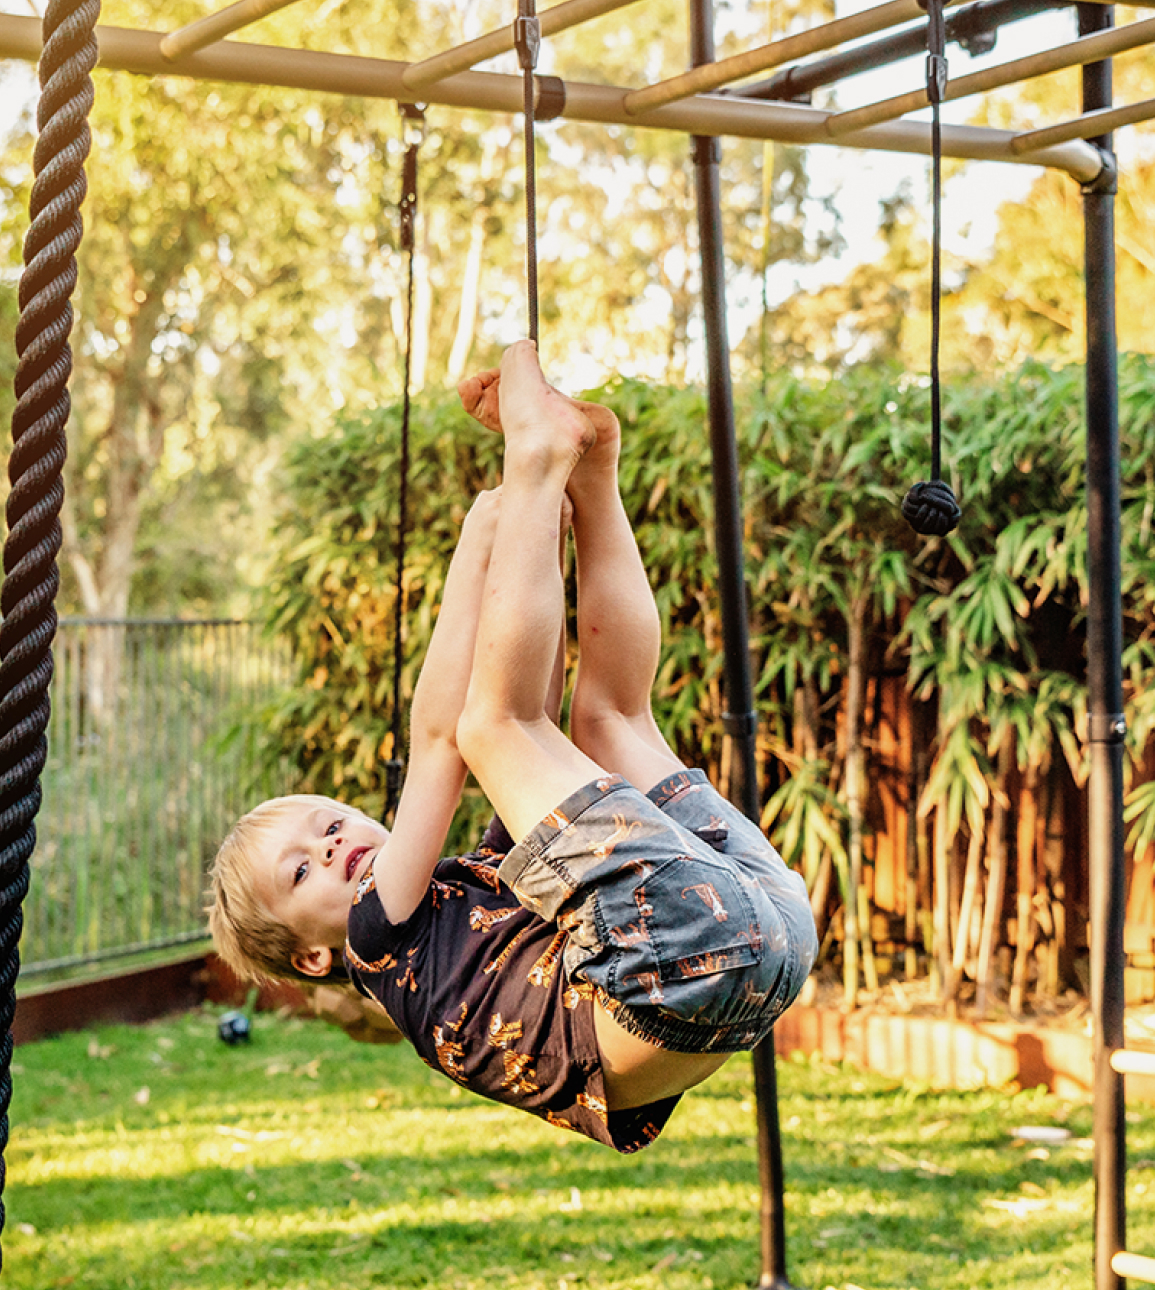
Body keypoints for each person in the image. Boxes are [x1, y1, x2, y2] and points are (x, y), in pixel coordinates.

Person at [209, 341, 817, 1153]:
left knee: (606, 723)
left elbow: (534, 702)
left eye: (328, 824)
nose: (330, 848)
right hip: (685, 964)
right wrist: (491, 525)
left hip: (760, 932)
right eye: (300, 871)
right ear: (313, 960)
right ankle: (543, 452)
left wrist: (539, 528)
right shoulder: (373, 943)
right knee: (488, 729)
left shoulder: (488, 893)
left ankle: (593, 475)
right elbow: (445, 738)